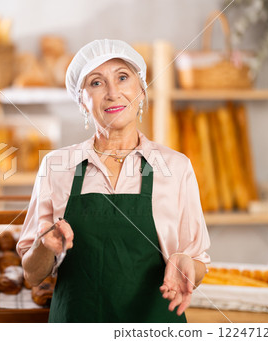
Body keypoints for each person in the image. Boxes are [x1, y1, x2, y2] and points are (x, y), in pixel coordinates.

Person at [17, 39, 210, 323]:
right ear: (82, 101)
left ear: (141, 91)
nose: (112, 92)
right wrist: (45, 246)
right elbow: (32, 274)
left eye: (122, 77)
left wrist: (186, 265)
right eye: (96, 83)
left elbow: (198, 261)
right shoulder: (57, 167)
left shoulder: (175, 166)